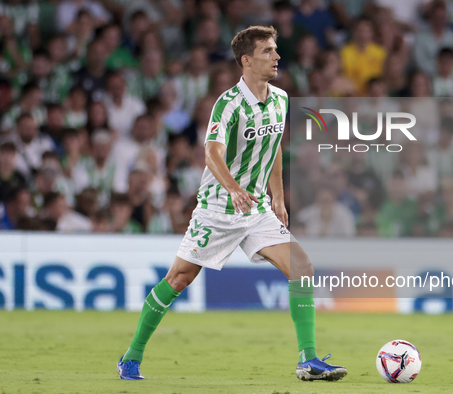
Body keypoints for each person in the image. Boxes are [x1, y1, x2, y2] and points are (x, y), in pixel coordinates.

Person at [116, 25, 348, 382]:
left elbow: (273, 151)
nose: (277, 57)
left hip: (257, 211)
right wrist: (234, 189)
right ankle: (131, 356)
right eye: (268, 51)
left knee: (302, 267)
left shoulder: (282, 99)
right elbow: (211, 152)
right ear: (246, 60)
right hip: (219, 209)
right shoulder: (229, 104)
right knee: (178, 279)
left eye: (275, 50)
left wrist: (279, 196)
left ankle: (309, 360)